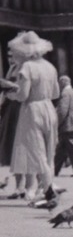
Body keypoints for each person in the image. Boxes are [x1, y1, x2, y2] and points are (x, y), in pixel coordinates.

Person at [5, 31, 60, 202]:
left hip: (32, 110)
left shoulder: (27, 67)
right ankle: (45, 187)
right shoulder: (50, 67)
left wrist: (10, 94)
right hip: (49, 107)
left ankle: (48, 188)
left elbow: (23, 95)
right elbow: (55, 92)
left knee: (37, 151)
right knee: (49, 151)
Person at [0, 48, 25, 197]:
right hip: (10, 109)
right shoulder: (13, 67)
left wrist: (10, 87)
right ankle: (19, 185)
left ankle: (23, 186)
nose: (10, 58)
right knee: (14, 148)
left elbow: (22, 89)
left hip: (18, 109)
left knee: (19, 147)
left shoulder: (24, 67)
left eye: (13, 55)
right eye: (8, 56)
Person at [54, 75, 73, 177]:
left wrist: (57, 124)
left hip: (67, 125)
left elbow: (62, 110)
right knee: (61, 149)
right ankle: (54, 170)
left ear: (62, 83)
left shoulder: (65, 93)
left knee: (72, 148)